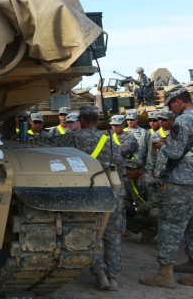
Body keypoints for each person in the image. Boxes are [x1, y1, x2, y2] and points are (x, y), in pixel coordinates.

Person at [140, 85, 193, 288]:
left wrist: (161, 145)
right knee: (192, 225)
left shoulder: (183, 120)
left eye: (171, 104)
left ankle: (165, 274)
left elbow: (174, 152)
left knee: (170, 224)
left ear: (179, 101)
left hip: (182, 182)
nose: (171, 110)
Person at [72, 105, 125, 291]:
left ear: (82, 120)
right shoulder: (109, 139)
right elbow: (120, 165)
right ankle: (114, 277)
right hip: (114, 191)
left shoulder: (75, 137)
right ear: (96, 120)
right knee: (113, 235)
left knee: (93, 233)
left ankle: (99, 273)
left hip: (89, 191)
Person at [123, 158, 160, 243]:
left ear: (140, 170)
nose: (128, 171)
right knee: (122, 210)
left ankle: (164, 238)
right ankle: (148, 230)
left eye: (131, 169)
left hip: (154, 210)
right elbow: (126, 198)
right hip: (142, 211)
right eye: (127, 169)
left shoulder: (148, 182)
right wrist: (128, 208)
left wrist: (137, 209)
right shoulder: (128, 180)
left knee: (154, 213)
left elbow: (155, 202)